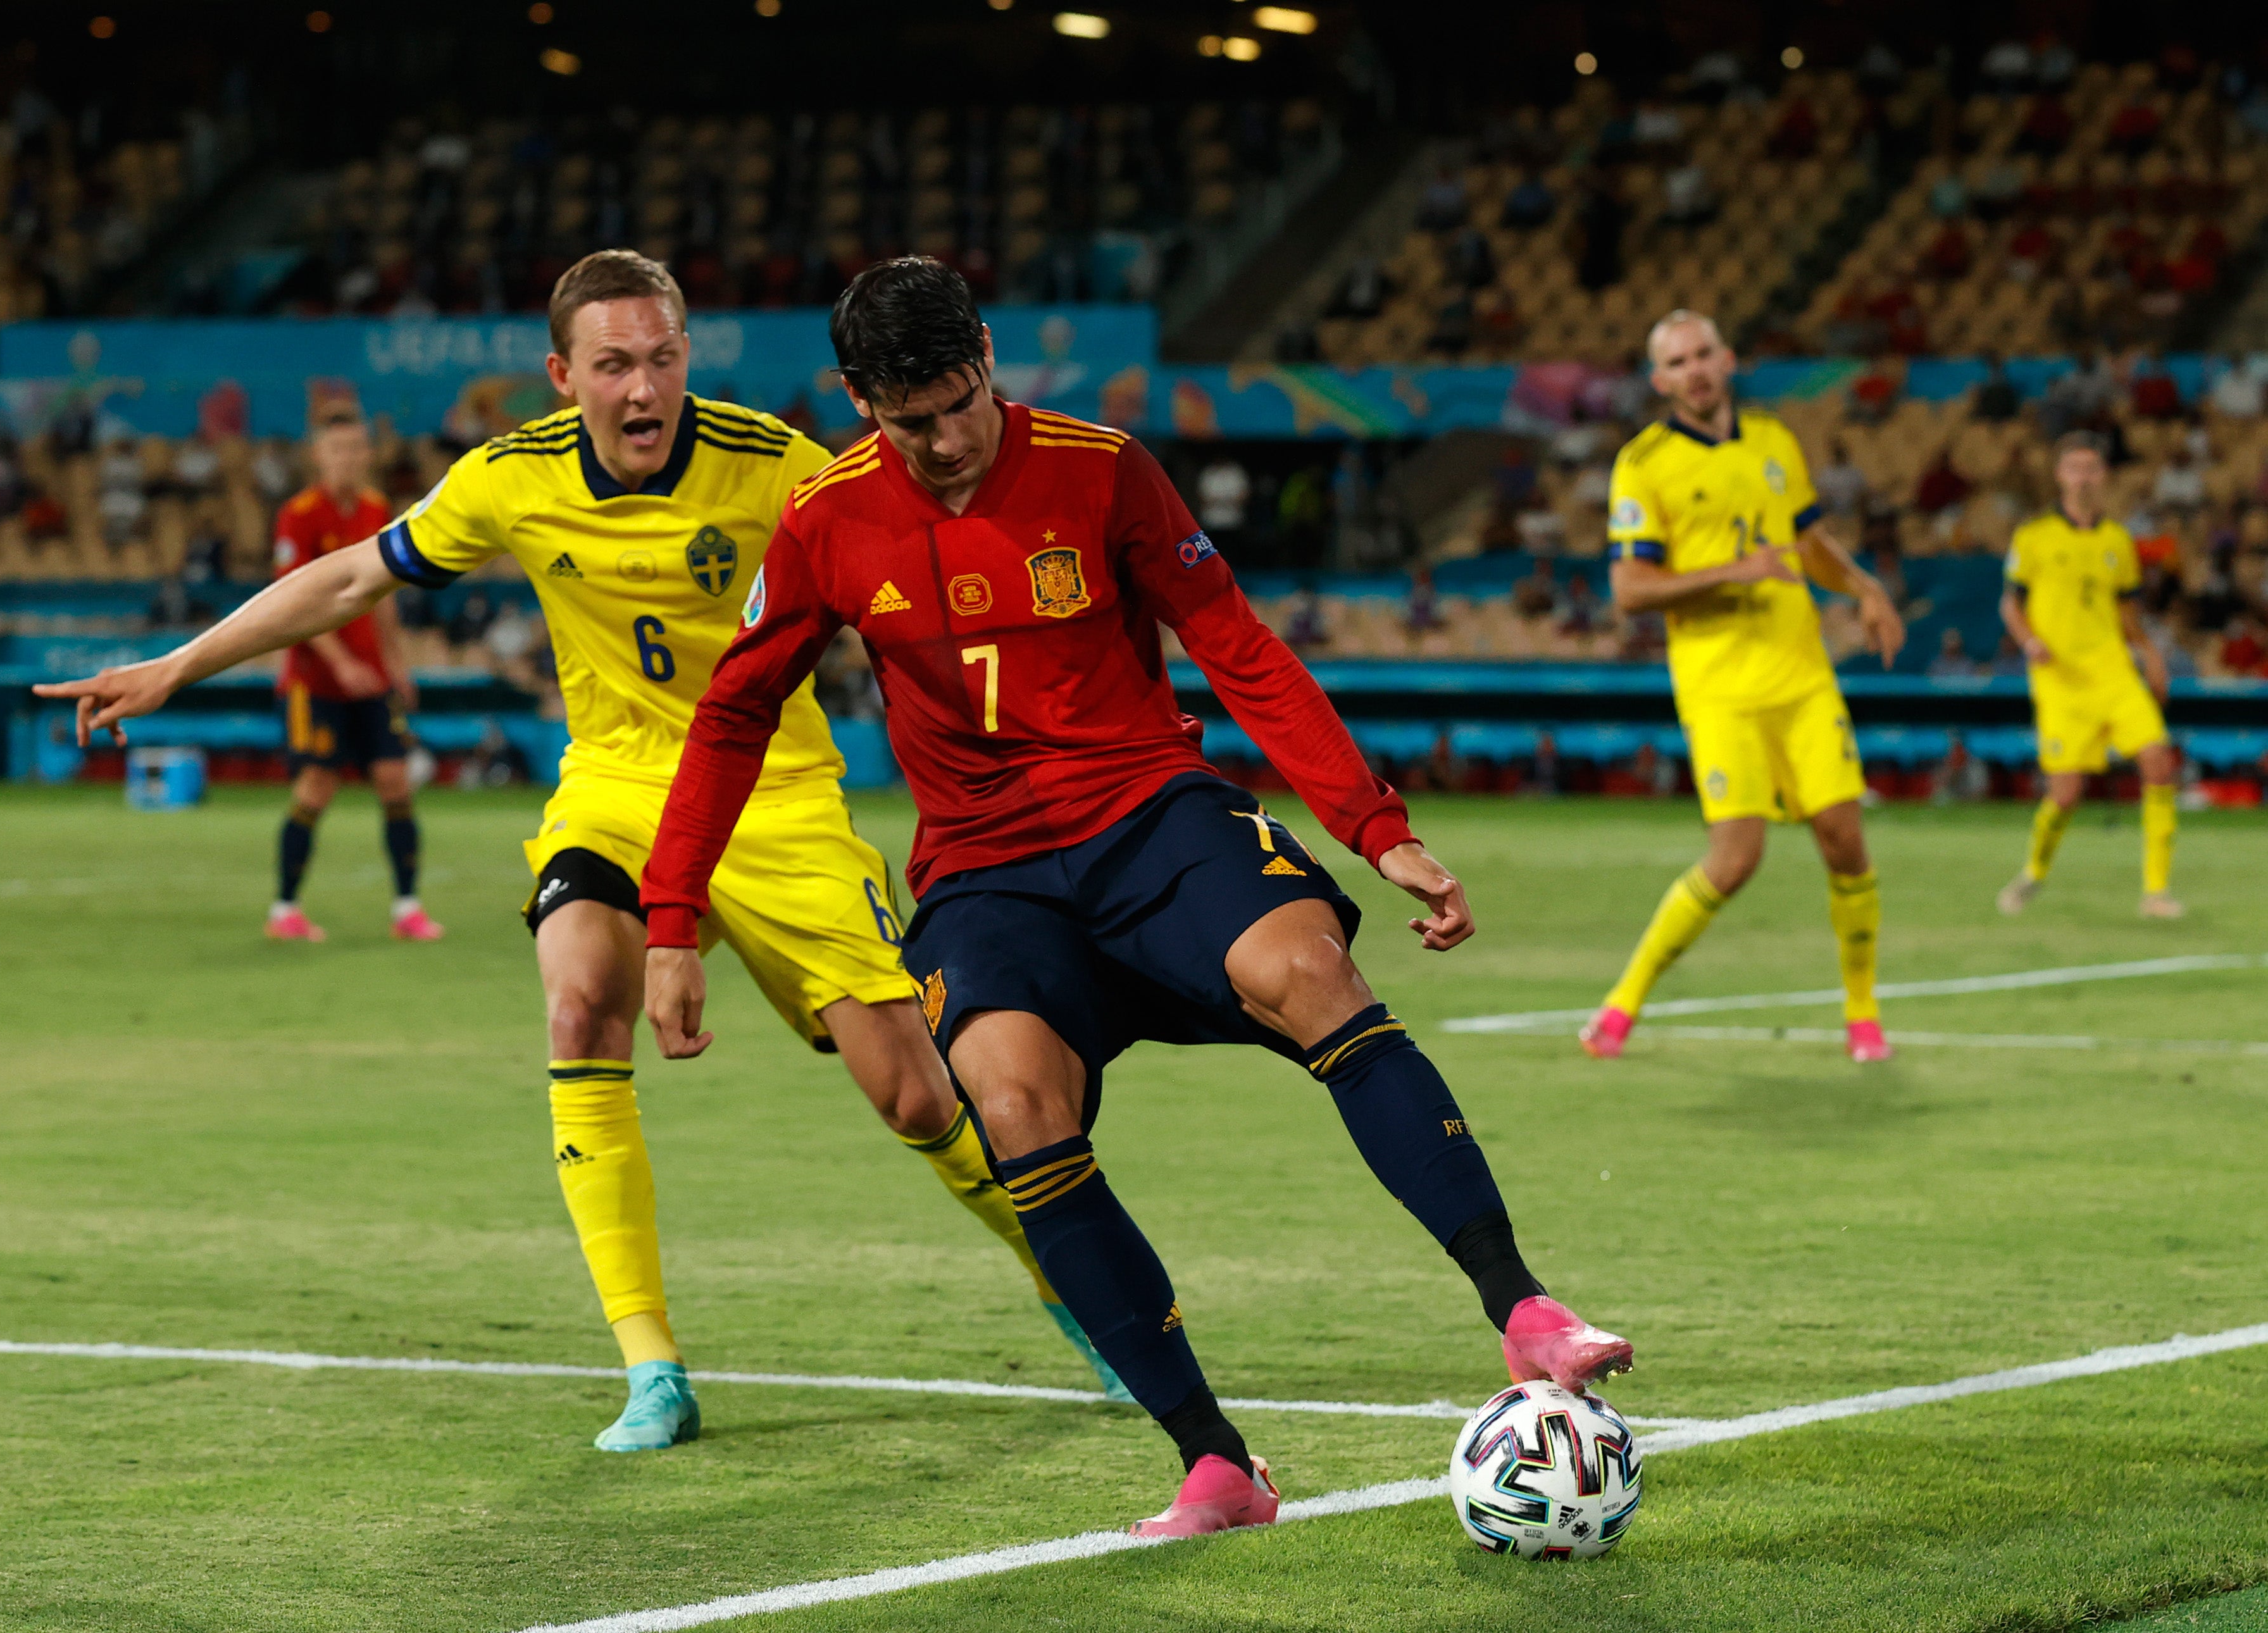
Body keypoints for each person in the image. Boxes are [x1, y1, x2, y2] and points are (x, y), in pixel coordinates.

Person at [30, 249, 1125, 1455]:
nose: (643, 384)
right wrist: (176, 664)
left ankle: (1069, 1285)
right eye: (615, 364)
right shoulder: (512, 479)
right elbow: (352, 578)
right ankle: (652, 1366)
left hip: (775, 798)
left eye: (662, 357)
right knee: (579, 1009)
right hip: (611, 789)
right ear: (564, 377)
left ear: (686, 359)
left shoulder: (780, 468)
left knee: (916, 1094)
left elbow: (930, 554)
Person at [636, 256, 1633, 1541]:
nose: (943, 442)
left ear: (988, 357)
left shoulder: (1103, 467)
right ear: (856, 400)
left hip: (1147, 815)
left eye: (958, 403)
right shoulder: (828, 518)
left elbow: (1240, 650)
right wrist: (672, 923)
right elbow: (730, 718)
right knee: (1008, 1105)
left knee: (1316, 976)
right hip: (985, 874)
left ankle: (1522, 1308)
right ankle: (1215, 1464)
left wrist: (1375, 829)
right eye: (909, 420)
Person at [1583, 310, 1907, 1064]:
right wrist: (1735, 571)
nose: (1695, 370)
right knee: (1734, 860)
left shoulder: (1773, 442)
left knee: (1845, 842)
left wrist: (1863, 588)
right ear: (1660, 381)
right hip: (1719, 685)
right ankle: (1621, 1003)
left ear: (1727, 360)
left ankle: (1863, 1015)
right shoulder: (1644, 463)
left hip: (1800, 675)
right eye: (1677, 362)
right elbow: (1629, 587)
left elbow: (1804, 541)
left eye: (1704, 354)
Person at [261, 407, 440, 945]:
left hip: (372, 680)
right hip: (315, 684)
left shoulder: (376, 509)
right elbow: (290, 603)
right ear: (319, 456)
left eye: (357, 448)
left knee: (395, 783)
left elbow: (381, 598)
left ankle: (408, 907)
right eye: (337, 449)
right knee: (316, 787)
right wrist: (342, 662)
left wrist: (396, 665)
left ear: (368, 454)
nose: (348, 458)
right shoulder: (300, 515)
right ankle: (284, 909)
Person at [1995, 432, 2182, 919]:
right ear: (2059, 475)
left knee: (2158, 760)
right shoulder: (2033, 536)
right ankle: (2032, 873)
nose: (2082, 476)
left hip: (2113, 672)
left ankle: (2155, 892)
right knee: (2066, 794)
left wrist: (2149, 652)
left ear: (2103, 477)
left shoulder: (2117, 541)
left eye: (2091, 468)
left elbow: (2127, 611)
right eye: (2073, 467)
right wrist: (2028, 641)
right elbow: (2010, 603)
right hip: (2059, 680)